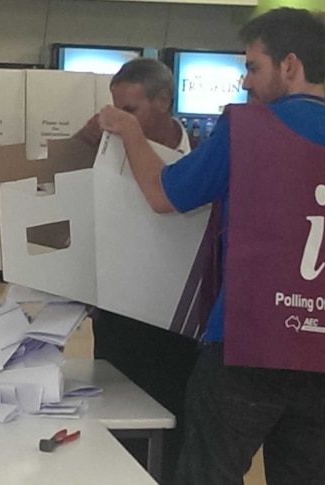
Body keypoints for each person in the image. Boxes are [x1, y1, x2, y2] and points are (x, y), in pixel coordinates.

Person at [97, 8, 325, 485]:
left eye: (253, 67)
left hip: (243, 348)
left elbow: (160, 193)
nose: (246, 83)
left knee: (209, 473)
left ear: (289, 65)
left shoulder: (246, 129)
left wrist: (128, 131)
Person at [75, 57, 198, 485]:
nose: (119, 120)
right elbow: (61, 192)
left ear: (163, 100)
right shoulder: (106, 150)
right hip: (117, 313)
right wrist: (84, 140)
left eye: (131, 111)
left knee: (173, 422)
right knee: (115, 415)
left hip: (180, 323)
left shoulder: (202, 156)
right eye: (115, 108)